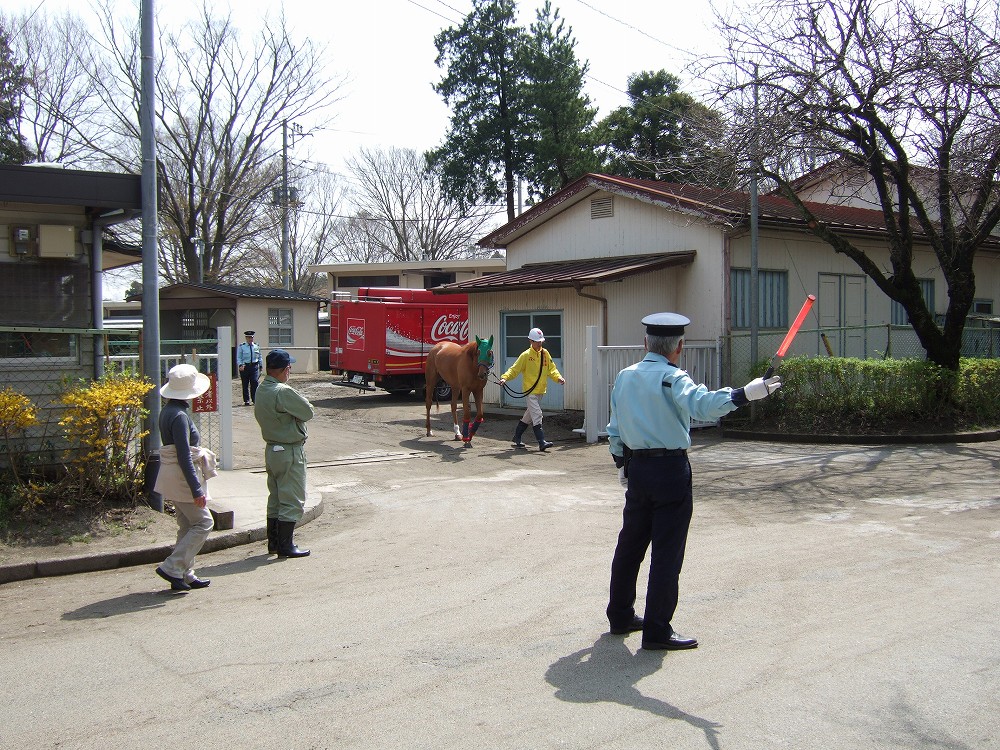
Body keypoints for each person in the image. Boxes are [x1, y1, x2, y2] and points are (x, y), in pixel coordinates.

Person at [605, 313, 782, 650]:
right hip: (670, 471)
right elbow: (704, 406)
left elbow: (614, 428)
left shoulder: (625, 377)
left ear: (646, 344)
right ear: (679, 347)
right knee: (666, 553)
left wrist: (621, 463)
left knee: (630, 546)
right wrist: (746, 393)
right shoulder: (673, 378)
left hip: (637, 470)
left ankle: (620, 615)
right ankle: (657, 630)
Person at [154, 364, 218, 592]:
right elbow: (184, 455)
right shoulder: (180, 415)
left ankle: (184, 572)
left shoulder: (168, 411)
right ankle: (173, 566)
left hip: (172, 474)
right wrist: (196, 489)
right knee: (204, 522)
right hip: (182, 476)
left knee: (187, 524)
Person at [254, 348, 314, 558]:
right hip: (289, 450)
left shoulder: (261, 389)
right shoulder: (282, 391)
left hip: (272, 449)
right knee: (292, 498)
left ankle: (273, 542)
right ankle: (286, 545)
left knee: (276, 498)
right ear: (285, 369)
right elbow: (307, 411)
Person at [499, 327, 565, 451]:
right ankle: (541, 442)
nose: (539, 344)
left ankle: (517, 437)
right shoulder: (525, 355)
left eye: (541, 341)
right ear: (531, 341)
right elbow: (514, 369)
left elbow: (552, 369)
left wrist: (558, 378)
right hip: (530, 392)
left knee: (528, 416)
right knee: (537, 415)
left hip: (540, 391)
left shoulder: (545, 353)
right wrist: (504, 378)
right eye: (537, 341)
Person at [236, 330, 262, 406]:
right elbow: (239, 357)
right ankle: (246, 400)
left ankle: (254, 399)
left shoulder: (256, 346)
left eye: (251, 337)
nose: (250, 339)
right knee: (245, 384)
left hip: (254, 367)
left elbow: (259, 356)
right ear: (246, 338)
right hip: (245, 367)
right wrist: (240, 365)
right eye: (249, 337)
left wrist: (261, 365)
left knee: (254, 382)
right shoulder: (242, 346)